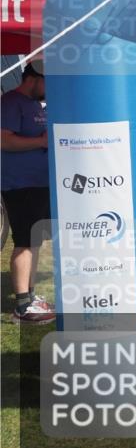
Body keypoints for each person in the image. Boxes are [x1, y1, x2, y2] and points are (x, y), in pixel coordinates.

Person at [1, 64, 55, 323]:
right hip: (20, 185)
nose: (49, 89)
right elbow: (4, 140)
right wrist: (41, 141)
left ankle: (30, 297)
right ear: (33, 79)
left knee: (34, 240)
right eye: (47, 82)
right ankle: (23, 306)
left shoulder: (34, 104)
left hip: (38, 183)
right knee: (24, 241)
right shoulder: (10, 102)